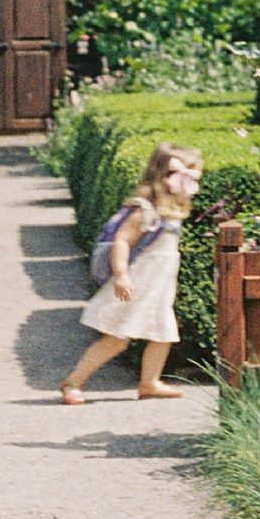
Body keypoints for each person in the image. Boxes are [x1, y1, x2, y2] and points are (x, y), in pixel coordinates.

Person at [60, 145, 203, 403]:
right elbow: (122, 241)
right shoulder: (146, 210)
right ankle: (73, 381)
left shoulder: (172, 209)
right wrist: (122, 275)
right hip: (137, 284)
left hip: (158, 288)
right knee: (115, 339)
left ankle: (149, 382)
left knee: (164, 334)